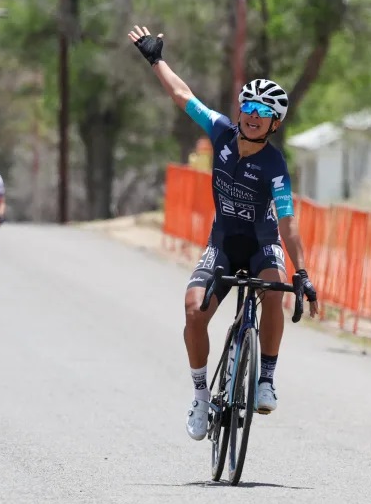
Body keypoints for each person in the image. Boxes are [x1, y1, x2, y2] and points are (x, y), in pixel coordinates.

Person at [128, 24, 319, 441]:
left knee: (275, 289)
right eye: (249, 109)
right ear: (239, 112)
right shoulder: (220, 131)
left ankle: (266, 377)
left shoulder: (275, 166)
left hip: (263, 246)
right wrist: (155, 59)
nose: (253, 117)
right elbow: (183, 97)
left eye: (263, 114)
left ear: (274, 124)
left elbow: (287, 221)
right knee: (194, 312)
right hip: (223, 245)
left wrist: (302, 271)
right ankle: (200, 397)